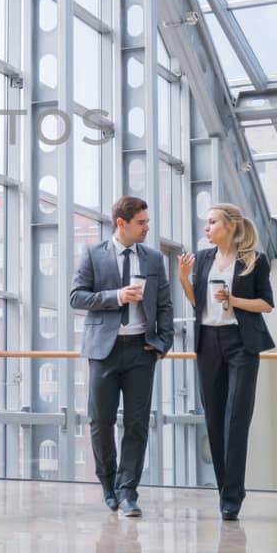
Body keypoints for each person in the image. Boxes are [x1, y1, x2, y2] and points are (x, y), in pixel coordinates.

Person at [70, 196, 174, 518]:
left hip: (142, 350)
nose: (146, 228)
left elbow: (165, 305)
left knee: (137, 423)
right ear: (122, 223)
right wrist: (116, 296)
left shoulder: (154, 259)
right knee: (100, 421)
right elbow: (77, 296)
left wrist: (162, 344)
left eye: (147, 222)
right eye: (141, 223)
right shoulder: (92, 254)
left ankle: (128, 491)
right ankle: (108, 484)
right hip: (104, 351)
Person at [177, 203, 275, 521]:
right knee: (215, 421)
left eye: (212, 222)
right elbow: (199, 303)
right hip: (208, 344)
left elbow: (266, 304)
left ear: (230, 226)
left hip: (241, 344)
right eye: (206, 222)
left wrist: (234, 301)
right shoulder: (204, 258)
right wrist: (183, 278)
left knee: (236, 420)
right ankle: (225, 492)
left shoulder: (254, 261)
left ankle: (233, 497)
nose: (206, 227)